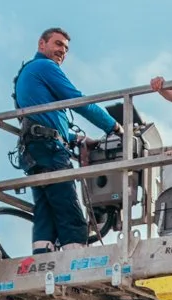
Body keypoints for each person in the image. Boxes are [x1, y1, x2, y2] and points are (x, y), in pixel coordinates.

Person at [12, 27, 117, 251]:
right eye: (58, 44)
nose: (62, 51)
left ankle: (42, 263)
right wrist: (114, 126)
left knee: (46, 213)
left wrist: (76, 138)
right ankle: (75, 266)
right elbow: (78, 101)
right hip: (49, 149)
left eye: (66, 48)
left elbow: (44, 120)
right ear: (42, 44)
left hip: (35, 149)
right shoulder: (44, 66)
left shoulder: (27, 74)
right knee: (70, 213)